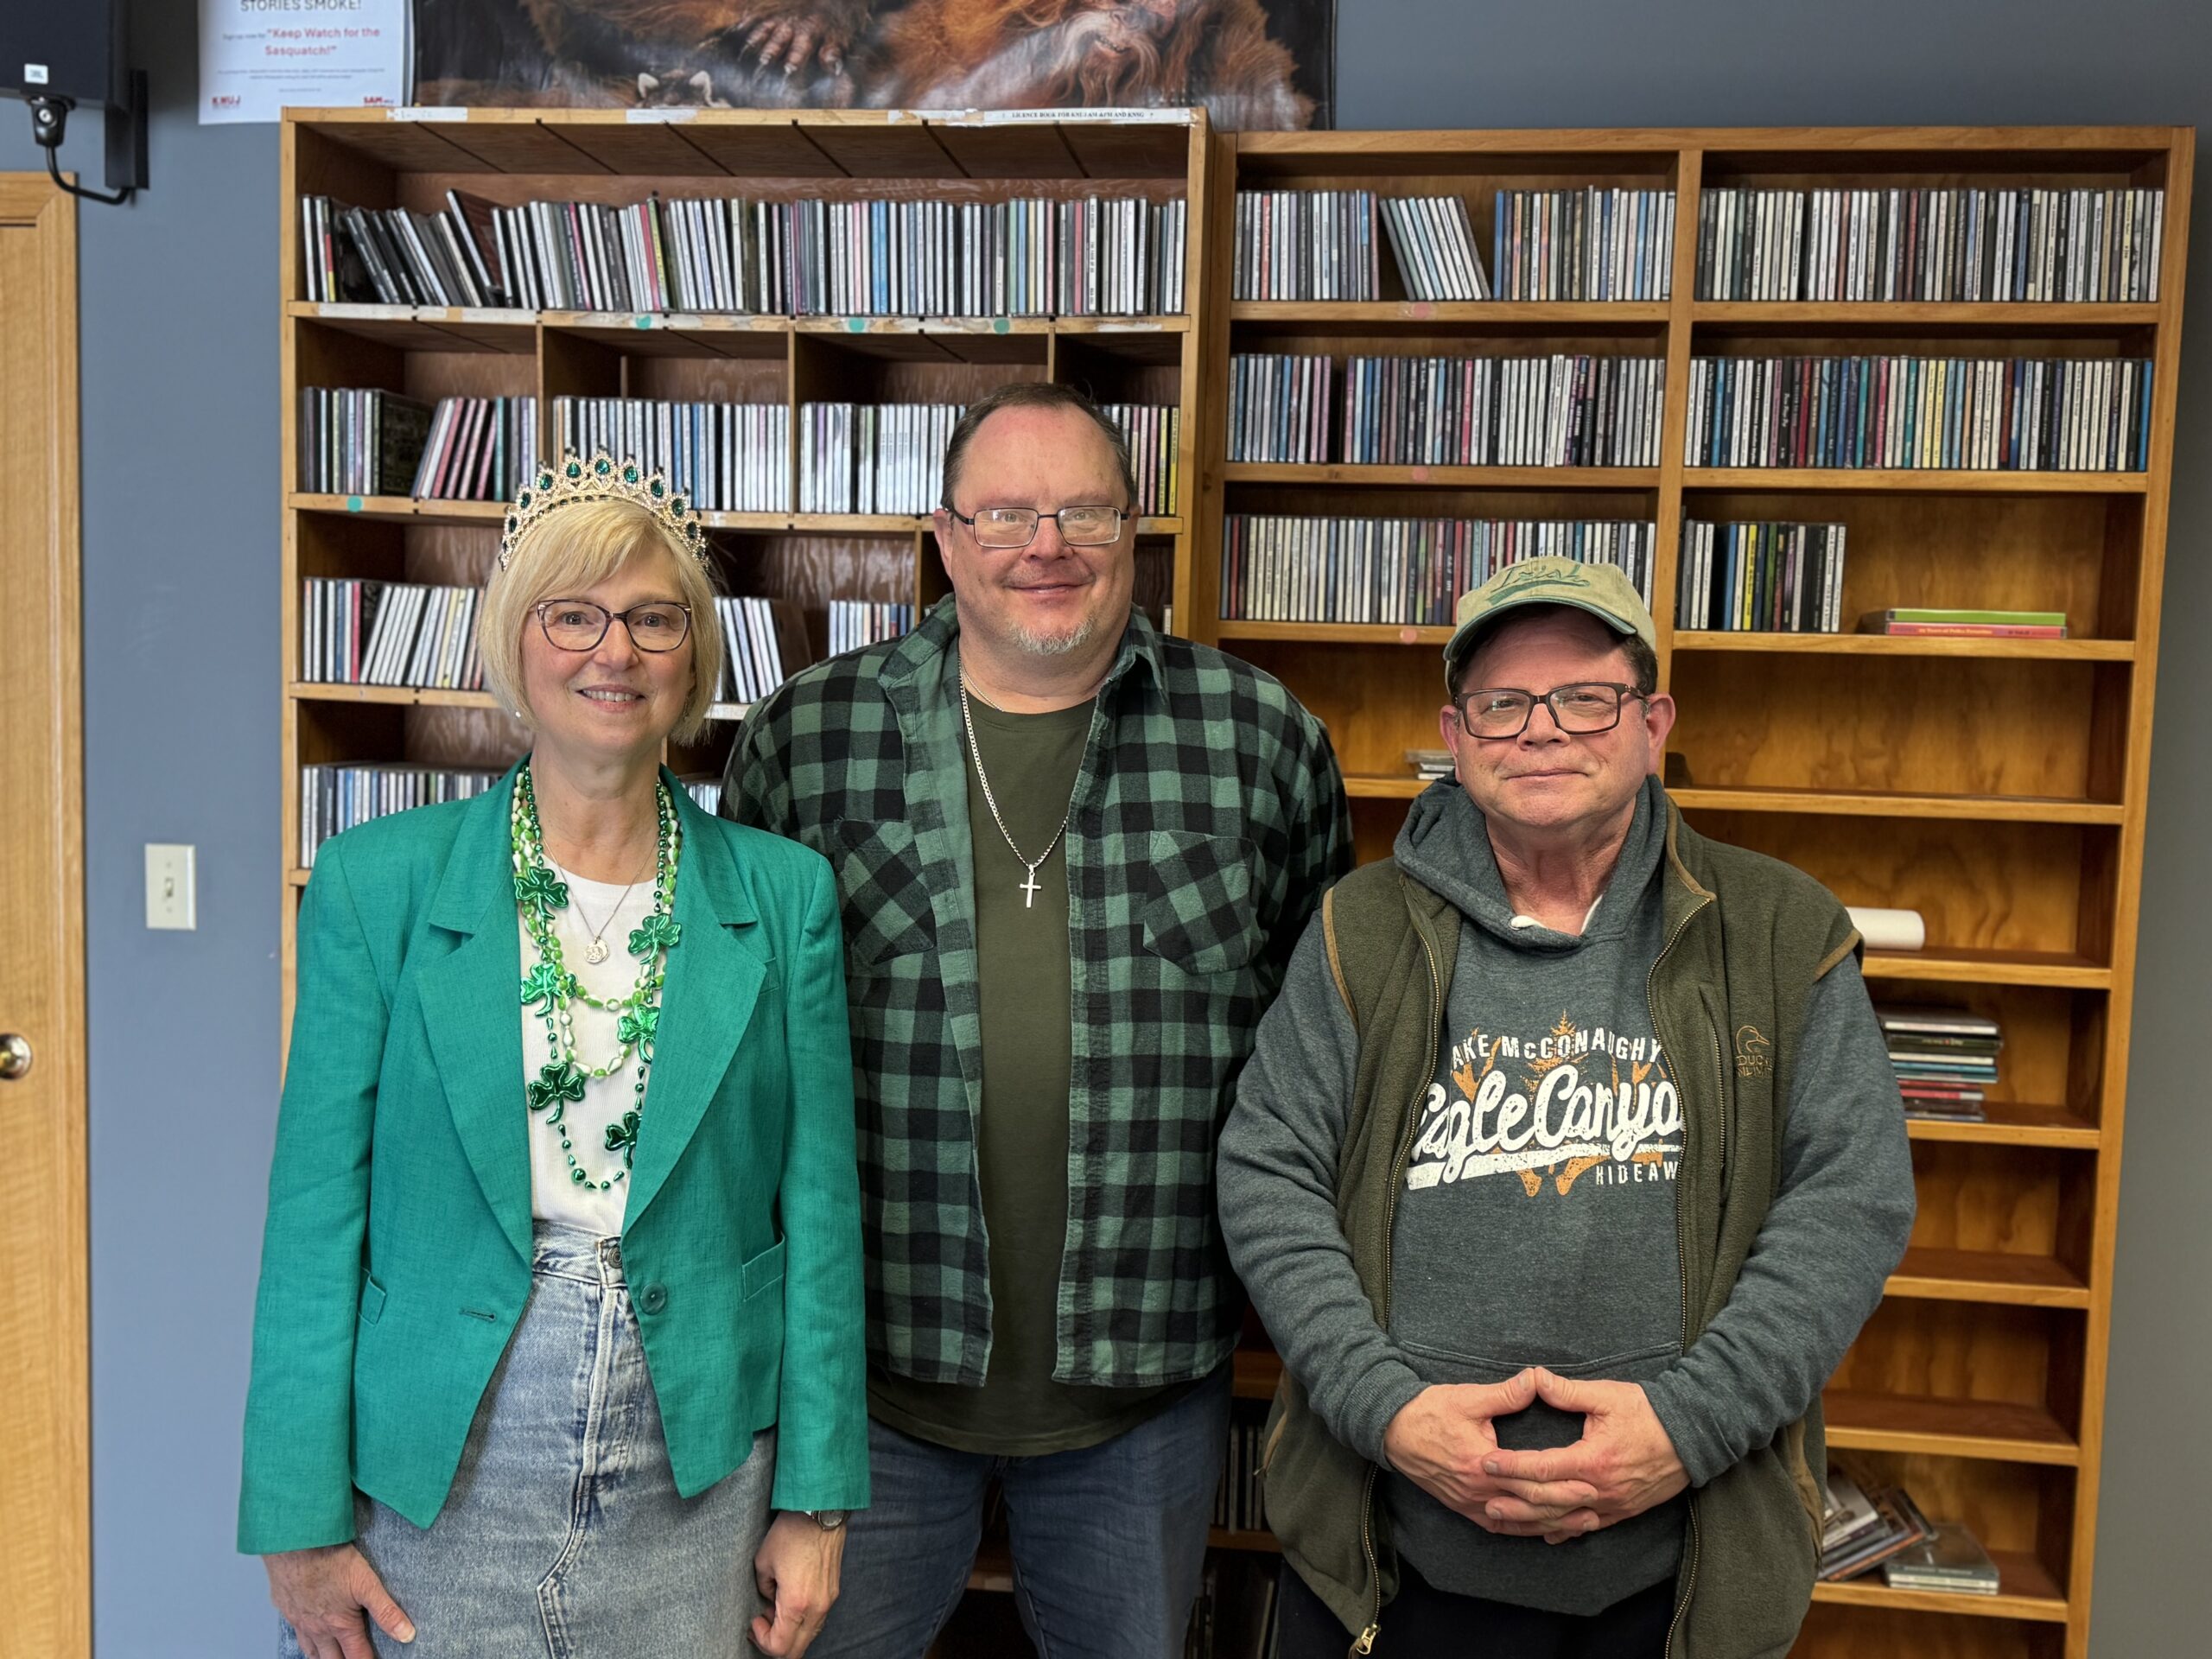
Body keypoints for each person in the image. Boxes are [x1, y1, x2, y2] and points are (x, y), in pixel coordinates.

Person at [721, 381, 1351, 1657]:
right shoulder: (809, 736)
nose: (1045, 545)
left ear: (1134, 533)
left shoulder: (1260, 739)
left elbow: (1319, 1045)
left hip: (1144, 1387)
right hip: (866, 1388)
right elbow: (740, 1064)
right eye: (1004, 513)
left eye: (1083, 512)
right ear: (945, 538)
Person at [1218, 556, 1916, 1658]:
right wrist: (1386, 1409)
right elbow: (1268, 1173)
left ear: (1652, 723)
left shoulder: (1782, 931)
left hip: (1680, 1576)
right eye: (1502, 703)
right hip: (1392, 1564)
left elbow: (1851, 1199)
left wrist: (1687, 1426)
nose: (1541, 729)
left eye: (1585, 697)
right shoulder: (1359, 928)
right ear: (1456, 736)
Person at [240, 454, 868, 1659]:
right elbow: (315, 1219)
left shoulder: (784, 896)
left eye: (653, 619)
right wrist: (297, 1520)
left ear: (694, 656)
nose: (613, 652)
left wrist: (817, 1502)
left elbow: (820, 1221)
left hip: (697, 1468)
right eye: (573, 615)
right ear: (515, 644)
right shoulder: (379, 885)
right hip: (431, 1467)